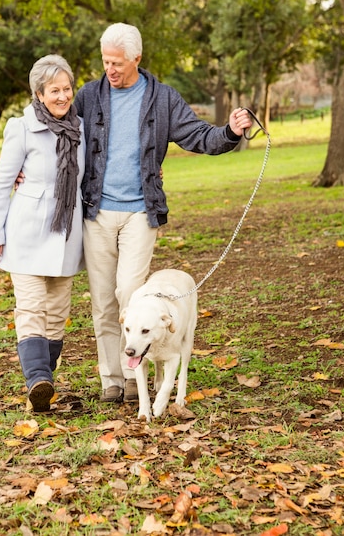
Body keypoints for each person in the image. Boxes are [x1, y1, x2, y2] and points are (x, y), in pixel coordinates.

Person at [74, 22, 253, 403]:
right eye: (106, 61)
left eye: (118, 62)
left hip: (141, 211)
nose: (111, 69)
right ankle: (113, 380)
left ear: (137, 58)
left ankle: (136, 366)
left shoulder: (162, 99)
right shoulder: (88, 96)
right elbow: (61, 134)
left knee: (129, 293)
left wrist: (232, 132)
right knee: (103, 299)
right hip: (97, 211)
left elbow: (198, 135)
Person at [0, 55, 85, 412]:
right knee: (31, 307)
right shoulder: (21, 127)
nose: (62, 96)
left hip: (66, 234)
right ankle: (37, 380)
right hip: (27, 232)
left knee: (57, 313)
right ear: (39, 94)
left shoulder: (81, 129)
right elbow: (1, 183)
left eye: (66, 88)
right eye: (53, 90)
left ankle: (44, 384)